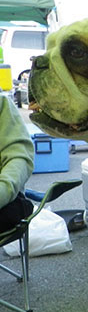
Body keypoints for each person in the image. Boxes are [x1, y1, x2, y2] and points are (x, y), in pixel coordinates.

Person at [0, 95, 33, 233]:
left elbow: (19, 158)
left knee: (14, 210)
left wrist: (4, 189)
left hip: (6, 200)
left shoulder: (2, 104)